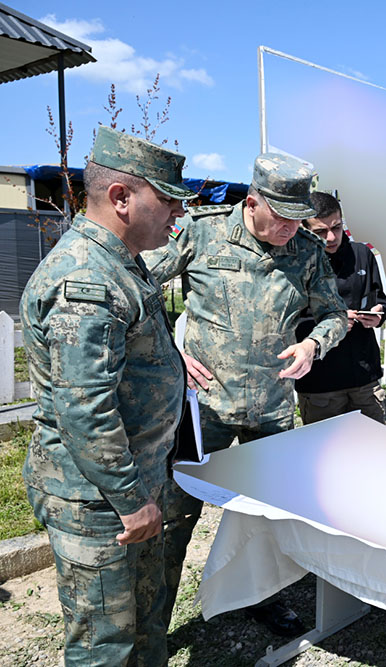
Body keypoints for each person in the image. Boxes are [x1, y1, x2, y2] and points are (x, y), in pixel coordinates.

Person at [142, 153, 349, 636]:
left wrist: (313, 343)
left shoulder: (307, 250)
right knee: (176, 515)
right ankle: (153, 619)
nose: (290, 229)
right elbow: (136, 284)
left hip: (272, 410)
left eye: (299, 220)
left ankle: (264, 597)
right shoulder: (200, 231)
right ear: (252, 202)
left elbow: (335, 314)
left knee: (269, 515)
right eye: (281, 218)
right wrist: (171, 348)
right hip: (203, 409)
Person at [20, 126, 193, 665]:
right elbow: (85, 409)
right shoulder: (87, 279)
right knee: (104, 643)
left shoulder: (119, 262)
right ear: (121, 198)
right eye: (167, 201)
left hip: (129, 489)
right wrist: (131, 499)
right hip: (100, 500)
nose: (177, 216)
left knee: (144, 625)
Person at [295, 190, 386, 424]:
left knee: (373, 453)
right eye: (320, 231)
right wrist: (330, 323)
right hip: (320, 385)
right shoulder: (295, 261)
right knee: (324, 457)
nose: (331, 237)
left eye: (336, 227)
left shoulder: (361, 254)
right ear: (304, 229)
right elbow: (287, 322)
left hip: (364, 379)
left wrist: (379, 315)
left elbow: (381, 300)